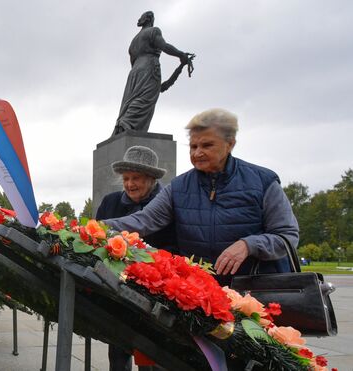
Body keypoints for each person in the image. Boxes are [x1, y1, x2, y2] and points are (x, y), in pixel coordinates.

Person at [104, 108, 299, 286]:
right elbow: (143, 221)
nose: (197, 153)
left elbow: (287, 236)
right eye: (193, 146)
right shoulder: (178, 187)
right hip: (203, 293)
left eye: (206, 145)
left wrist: (249, 244)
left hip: (257, 292)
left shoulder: (263, 182)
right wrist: (91, 228)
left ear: (230, 144)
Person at [96, 145, 173, 371]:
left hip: (156, 289)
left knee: (153, 352)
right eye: (126, 178)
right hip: (118, 286)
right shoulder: (111, 202)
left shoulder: (166, 203)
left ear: (151, 178)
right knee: (119, 347)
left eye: (136, 178)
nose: (130, 184)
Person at [112, 11, 192, 136]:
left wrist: (181, 67)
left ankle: (123, 124)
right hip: (149, 67)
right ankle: (127, 123)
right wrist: (180, 55)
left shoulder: (133, 41)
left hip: (134, 72)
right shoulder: (153, 31)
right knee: (144, 100)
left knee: (132, 100)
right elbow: (164, 46)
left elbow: (162, 87)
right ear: (150, 19)